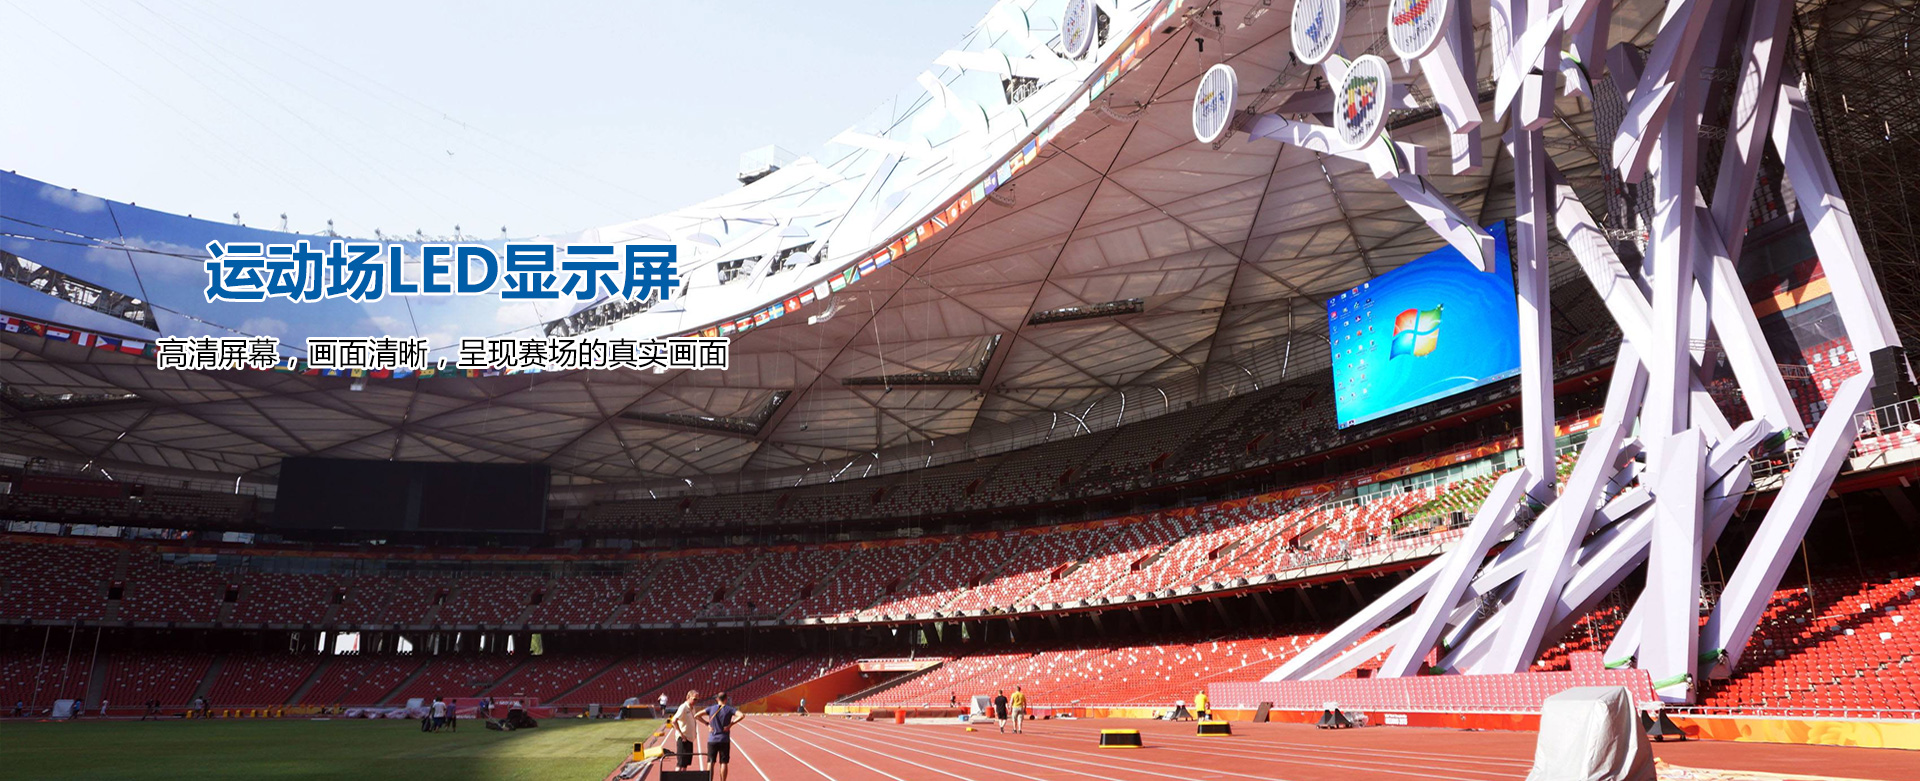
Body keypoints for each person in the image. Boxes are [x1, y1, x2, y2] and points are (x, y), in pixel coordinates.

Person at [697, 691, 744, 781]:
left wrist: (707, 724)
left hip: (712, 739)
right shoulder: (729, 709)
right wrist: (731, 724)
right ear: (726, 699)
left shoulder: (711, 708)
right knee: (724, 762)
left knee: (710, 762)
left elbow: (697, 715)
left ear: (717, 699)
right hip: (724, 739)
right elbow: (741, 715)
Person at [668, 690, 700, 772]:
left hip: (690, 739)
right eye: (694, 699)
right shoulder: (683, 707)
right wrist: (681, 734)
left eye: (697, 699)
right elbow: (674, 721)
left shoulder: (692, 708)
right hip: (683, 739)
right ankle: (676, 777)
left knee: (685, 764)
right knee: (680, 764)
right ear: (688, 697)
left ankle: (683, 777)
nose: (696, 701)